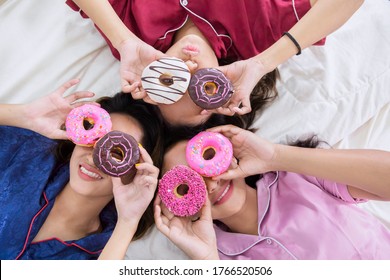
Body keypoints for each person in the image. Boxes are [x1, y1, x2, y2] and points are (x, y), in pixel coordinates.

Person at [66, 0, 364, 124]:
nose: (189, 69)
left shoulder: (134, 38)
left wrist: (123, 40)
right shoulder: (262, 39)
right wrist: (264, 63)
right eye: (201, 88)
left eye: (171, 82)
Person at [154, 124, 390, 259]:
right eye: (187, 185)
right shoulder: (216, 257)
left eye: (206, 160)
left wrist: (275, 156)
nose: (211, 184)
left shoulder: (297, 176)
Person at [0, 79, 164, 260]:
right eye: (94, 137)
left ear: (137, 172)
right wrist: (23, 115)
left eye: (117, 153)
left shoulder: (105, 253)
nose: (95, 157)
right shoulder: (27, 152)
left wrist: (128, 221)